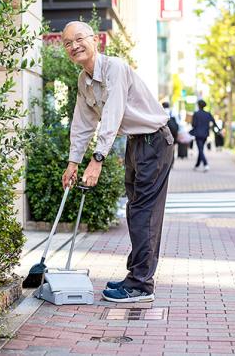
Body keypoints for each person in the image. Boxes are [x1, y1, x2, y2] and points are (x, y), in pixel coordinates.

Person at [60, 21, 174, 303]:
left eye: (78, 39)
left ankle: (140, 285)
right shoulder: (84, 80)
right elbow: (82, 122)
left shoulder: (115, 68)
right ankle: (135, 275)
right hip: (137, 143)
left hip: (154, 142)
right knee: (135, 210)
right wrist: (73, 162)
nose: (74, 46)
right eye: (67, 43)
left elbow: (112, 113)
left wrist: (97, 158)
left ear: (94, 40)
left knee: (143, 213)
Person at [190, 99, 217, 172]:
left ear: (198, 105)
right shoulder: (208, 114)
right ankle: (197, 165)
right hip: (205, 134)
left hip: (198, 134)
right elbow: (214, 122)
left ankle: (206, 164)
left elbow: (193, 124)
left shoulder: (196, 114)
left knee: (200, 150)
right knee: (201, 149)